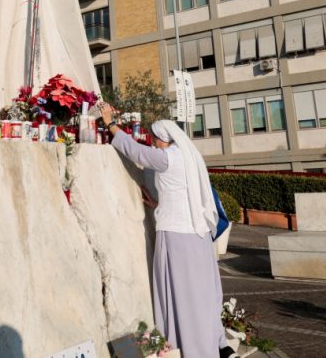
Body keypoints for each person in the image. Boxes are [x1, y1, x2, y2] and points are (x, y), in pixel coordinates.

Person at [99, 102, 233, 358]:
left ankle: (193, 349)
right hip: (199, 237)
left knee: (183, 295)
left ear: (163, 139)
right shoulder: (190, 158)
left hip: (178, 237)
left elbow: (134, 151)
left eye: (154, 139)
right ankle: (212, 343)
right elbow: (186, 194)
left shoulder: (167, 157)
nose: (153, 143)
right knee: (201, 295)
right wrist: (159, 204)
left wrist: (110, 124)